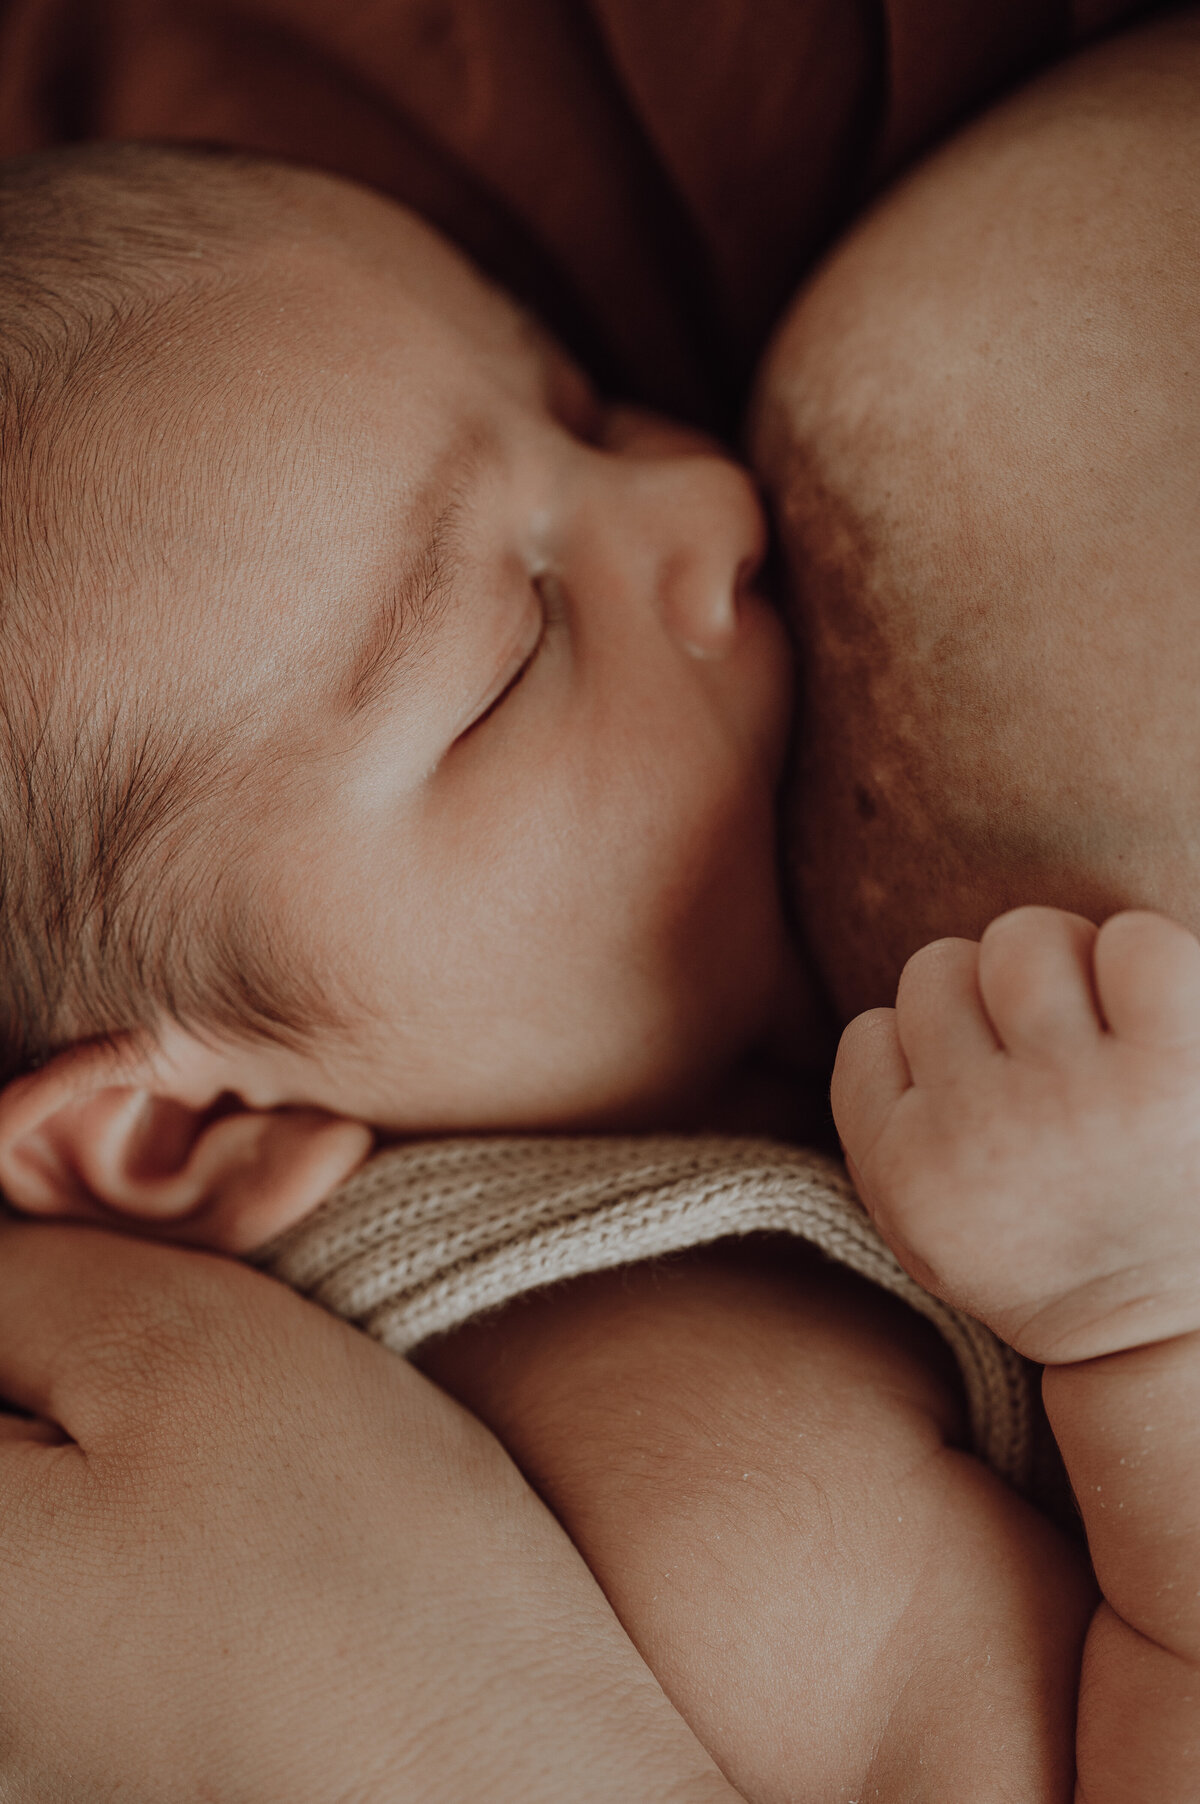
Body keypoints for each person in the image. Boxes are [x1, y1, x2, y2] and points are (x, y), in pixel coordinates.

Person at [0, 9, 1197, 1795]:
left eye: (580, 403)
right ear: (194, 1130)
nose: (700, 495)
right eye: (512, 649)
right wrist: (1145, 1328)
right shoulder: (687, 1434)